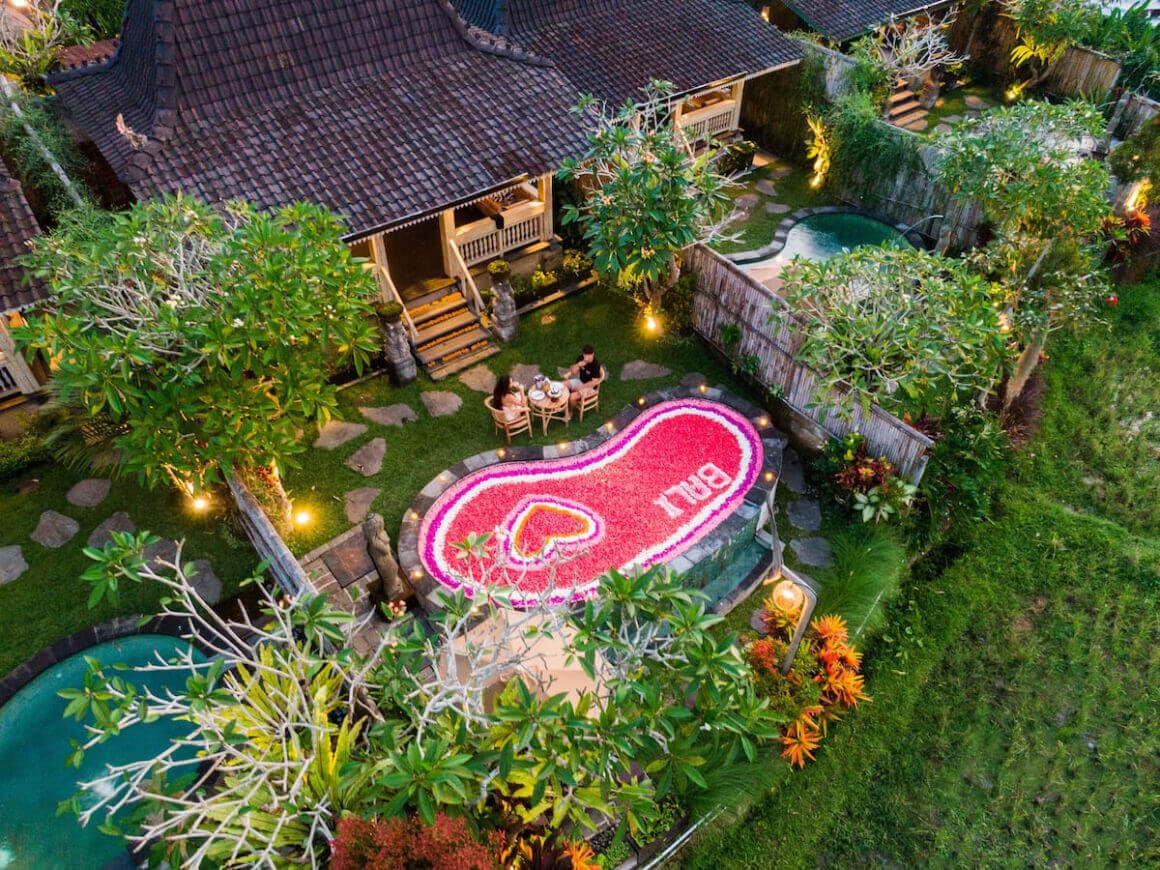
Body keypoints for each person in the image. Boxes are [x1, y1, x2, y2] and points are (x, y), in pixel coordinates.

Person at [566, 344, 603, 410]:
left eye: (589, 356)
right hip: (580, 381)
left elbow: (595, 382)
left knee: (571, 397)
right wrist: (578, 365)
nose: (586, 358)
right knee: (563, 385)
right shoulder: (581, 358)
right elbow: (573, 372)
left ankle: (570, 412)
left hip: (590, 387)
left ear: (593, 354)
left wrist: (581, 387)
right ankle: (562, 405)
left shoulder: (595, 365)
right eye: (585, 355)